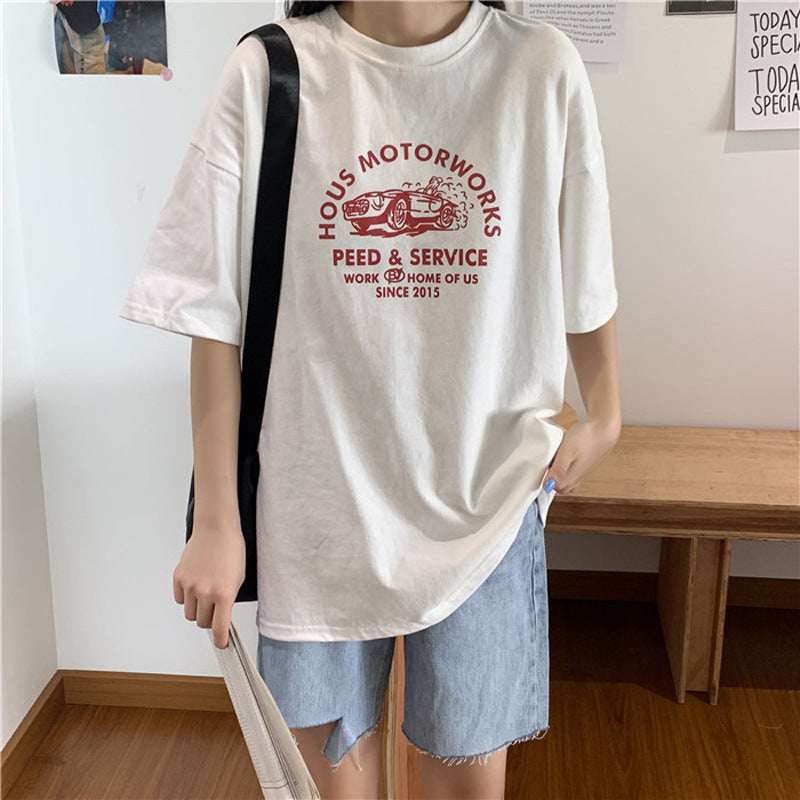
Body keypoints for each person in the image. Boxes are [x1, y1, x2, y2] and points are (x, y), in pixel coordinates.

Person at [118, 1, 621, 798]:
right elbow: (212, 310)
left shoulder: (538, 67)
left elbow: (583, 267)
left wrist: (608, 411)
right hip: (317, 513)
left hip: (487, 503)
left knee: (464, 786)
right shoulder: (270, 72)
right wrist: (216, 520)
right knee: (329, 790)